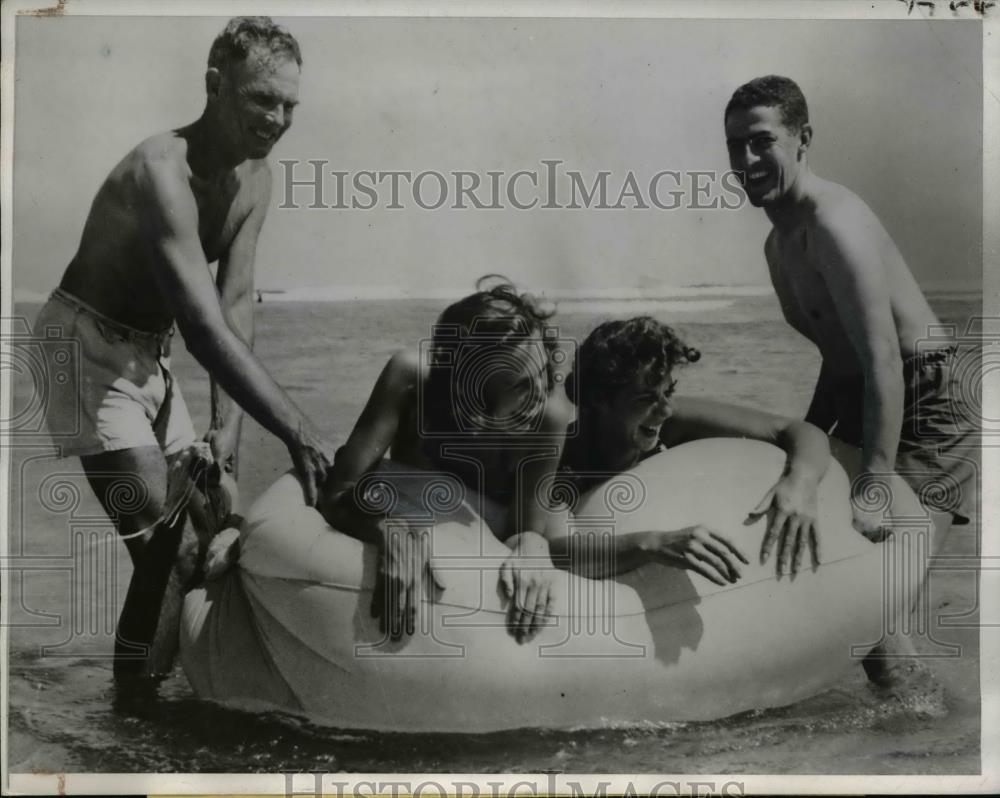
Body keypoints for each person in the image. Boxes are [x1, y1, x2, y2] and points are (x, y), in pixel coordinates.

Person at [33, 17, 337, 685]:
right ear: (214, 86)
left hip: (151, 356)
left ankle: (180, 695)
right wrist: (300, 434)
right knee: (168, 551)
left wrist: (226, 427)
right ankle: (133, 723)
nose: (277, 118)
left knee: (215, 531)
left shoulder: (257, 179)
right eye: (262, 99)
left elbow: (233, 306)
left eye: (289, 104)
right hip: (81, 348)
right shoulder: (160, 171)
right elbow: (205, 331)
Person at [722, 74, 978, 683]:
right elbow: (842, 364)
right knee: (859, 594)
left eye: (762, 142)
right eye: (734, 145)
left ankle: (925, 745)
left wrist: (874, 485)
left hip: (928, 402)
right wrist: (798, 451)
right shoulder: (778, 244)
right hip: (875, 394)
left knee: (878, 600)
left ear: (803, 137)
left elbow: (885, 360)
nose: (746, 160)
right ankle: (912, 730)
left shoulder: (834, 221)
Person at [319, 277, 574, 644]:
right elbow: (337, 492)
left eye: (544, 369)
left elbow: (523, 529)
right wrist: (385, 529)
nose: (543, 388)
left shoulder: (549, 412)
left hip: (511, 511)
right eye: (520, 385)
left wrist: (533, 546)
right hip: (425, 507)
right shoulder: (411, 380)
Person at [549, 316, 831, 584]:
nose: (665, 409)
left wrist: (802, 480)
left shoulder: (673, 423)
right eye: (646, 398)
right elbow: (545, 552)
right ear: (599, 399)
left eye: (668, 392)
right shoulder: (563, 455)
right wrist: (649, 544)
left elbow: (793, 429)